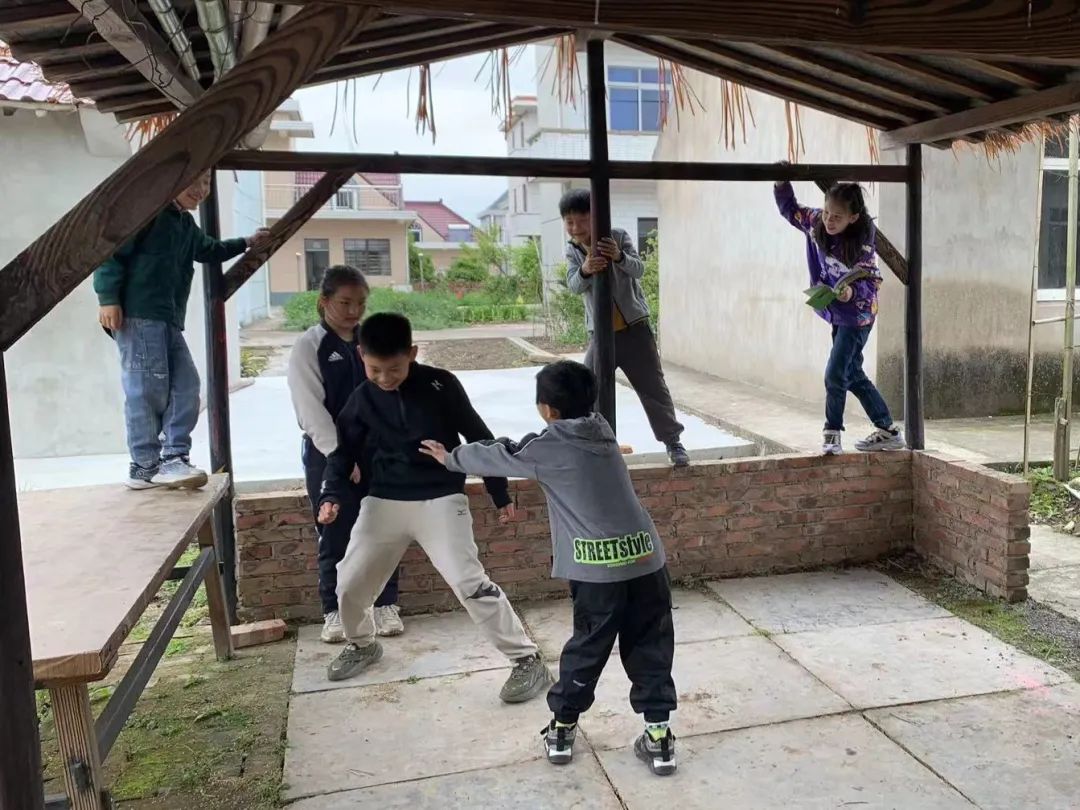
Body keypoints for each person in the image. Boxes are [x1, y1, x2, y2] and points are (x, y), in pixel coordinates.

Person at [420, 360, 678, 777]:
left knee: (588, 648)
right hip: (647, 560)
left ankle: (561, 730)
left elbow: (501, 455)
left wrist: (450, 457)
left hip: (598, 571)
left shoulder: (547, 448)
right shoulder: (603, 431)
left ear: (548, 410)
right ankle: (660, 738)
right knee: (650, 644)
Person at [316, 313, 550, 704]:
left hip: (441, 498)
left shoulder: (442, 385)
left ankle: (526, 658)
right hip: (385, 500)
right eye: (375, 369)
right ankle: (362, 644)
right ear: (360, 356)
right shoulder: (362, 399)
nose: (385, 378)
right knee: (349, 583)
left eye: (394, 368)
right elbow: (343, 456)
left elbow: (479, 437)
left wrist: (500, 494)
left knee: (467, 582)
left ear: (412, 353)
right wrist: (331, 497)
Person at [94, 171, 270, 490]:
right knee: (146, 390)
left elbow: (210, 251)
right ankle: (144, 465)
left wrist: (247, 243)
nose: (201, 190)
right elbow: (110, 253)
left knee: (187, 385)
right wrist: (108, 298)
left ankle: (174, 458)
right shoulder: (147, 213)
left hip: (169, 318)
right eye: (195, 181)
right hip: (138, 315)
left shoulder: (184, 224)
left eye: (206, 184)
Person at [287, 265, 404, 644]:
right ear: (324, 302)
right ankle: (334, 611)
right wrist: (342, 458)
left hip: (378, 455)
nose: (354, 311)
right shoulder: (310, 346)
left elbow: (393, 388)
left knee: (384, 529)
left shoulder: (370, 340)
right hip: (329, 455)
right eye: (345, 302)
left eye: (361, 303)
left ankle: (385, 604)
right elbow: (311, 410)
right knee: (335, 531)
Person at [773, 175, 905, 456]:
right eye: (827, 213)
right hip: (836, 312)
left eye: (838, 217)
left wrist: (850, 294)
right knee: (852, 373)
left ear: (854, 218)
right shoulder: (817, 222)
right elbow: (790, 210)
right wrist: (781, 184)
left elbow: (870, 284)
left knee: (835, 373)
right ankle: (889, 430)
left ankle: (832, 433)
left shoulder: (862, 243)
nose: (830, 221)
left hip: (858, 316)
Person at [561, 189, 689, 468]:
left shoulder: (616, 237)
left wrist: (618, 257)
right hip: (601, 335)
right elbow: (573, 285)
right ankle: (594, 444)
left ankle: (673, 443)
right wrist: (584, 270)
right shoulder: (572, 250)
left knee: (653, 387)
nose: (575, 228)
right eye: (569, 222)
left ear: (596, 218)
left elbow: (638, 269)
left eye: (581, 221)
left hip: (635, 330)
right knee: (587, 389)